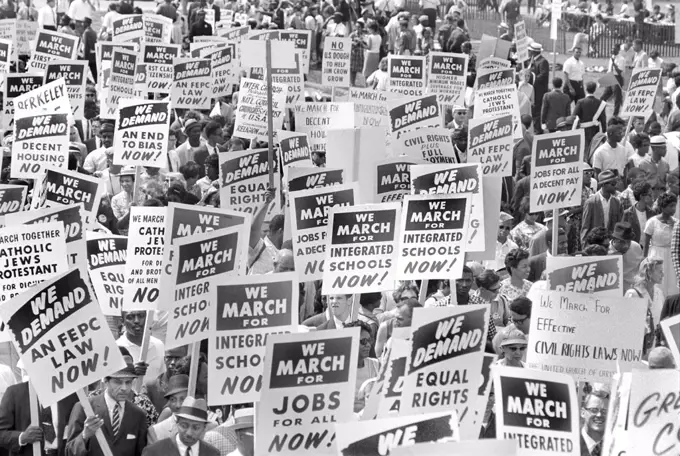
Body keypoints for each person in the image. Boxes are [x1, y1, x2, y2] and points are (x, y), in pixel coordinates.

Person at [66, 362, 147, 456]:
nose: (124, 388)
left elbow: (141, 452)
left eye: (128, 382)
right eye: (118, 382)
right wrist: (84, 436)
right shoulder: (84, 408)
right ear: (106, 381)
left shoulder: (138, 415)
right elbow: (69, 452)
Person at [142, 398, 218, 456]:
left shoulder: (213, 454)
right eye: (184, 426)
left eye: (196, 428)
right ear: (177, 423)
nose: (189, 433)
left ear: (204, 428)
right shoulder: (154, 452)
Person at [625, 257, 665, 354]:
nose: (663, 275)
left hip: (655, 347)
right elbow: (625, 324)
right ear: (649, 273)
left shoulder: (659, 293)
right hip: (637, 348)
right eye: (660, 272)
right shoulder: (632, 294)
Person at [642, 193, 678, 296]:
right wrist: (644, 259)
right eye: (670, 206)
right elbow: (646, 243)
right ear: (662, 207)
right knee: (658, 282)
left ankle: (671, 309)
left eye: (674, 205)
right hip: (656, 255)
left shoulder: (677, 223)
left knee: (672, 283)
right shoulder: (652, 222)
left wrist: (674, 227)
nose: (673, 209)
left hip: (672, 257)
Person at [117, 311, 166, 384]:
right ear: (122, 321)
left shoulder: (158, 345)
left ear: (148, 318)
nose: (136, 321)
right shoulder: (115, 348)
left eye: (141, 316)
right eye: (130, 317)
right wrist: (131, 372)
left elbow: (162, 378)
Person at [581, 170, 623, 246]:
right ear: (604, 184)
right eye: (613, 184)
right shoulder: (591, 202)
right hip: (595, 246)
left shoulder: (617, 203)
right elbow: (585, 228)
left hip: (611, 245)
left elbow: (619, 226)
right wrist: (586, 249)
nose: (616, 186)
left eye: (616, 183)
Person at [346, 321, 379, 413]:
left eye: (369, 340)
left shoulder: (376, 365)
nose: (368, 345)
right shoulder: (340, 369)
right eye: (363, 341)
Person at [145, 346, 188, 412]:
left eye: (177, 358)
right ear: (164, 359)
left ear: (185, 359)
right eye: (169, 358)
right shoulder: (150, 386)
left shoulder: (192, 385)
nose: (173, 362)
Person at [608, 222, 644, 292]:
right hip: (613, 291)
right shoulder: (606, 252)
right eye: (622, 242)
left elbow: (641, 269)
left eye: (628, 241)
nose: (626, 245)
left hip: (633, 290)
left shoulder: (636, 247)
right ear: (615, 239)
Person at [579, 390, 609, 456]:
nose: (599, 415)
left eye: (605, 411)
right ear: (583, 412)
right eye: (594, 410)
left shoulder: (616, 447)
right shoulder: (569, 442)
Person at [529, 42, 550, 133]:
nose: (528, 52)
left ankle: (538, 130)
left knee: (536, 110)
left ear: (534, 52)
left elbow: (543, 75)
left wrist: (532, 80)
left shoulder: (543, 61)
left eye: (530, 51)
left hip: (539, 91)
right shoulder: (532, 60)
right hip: (532, 89)